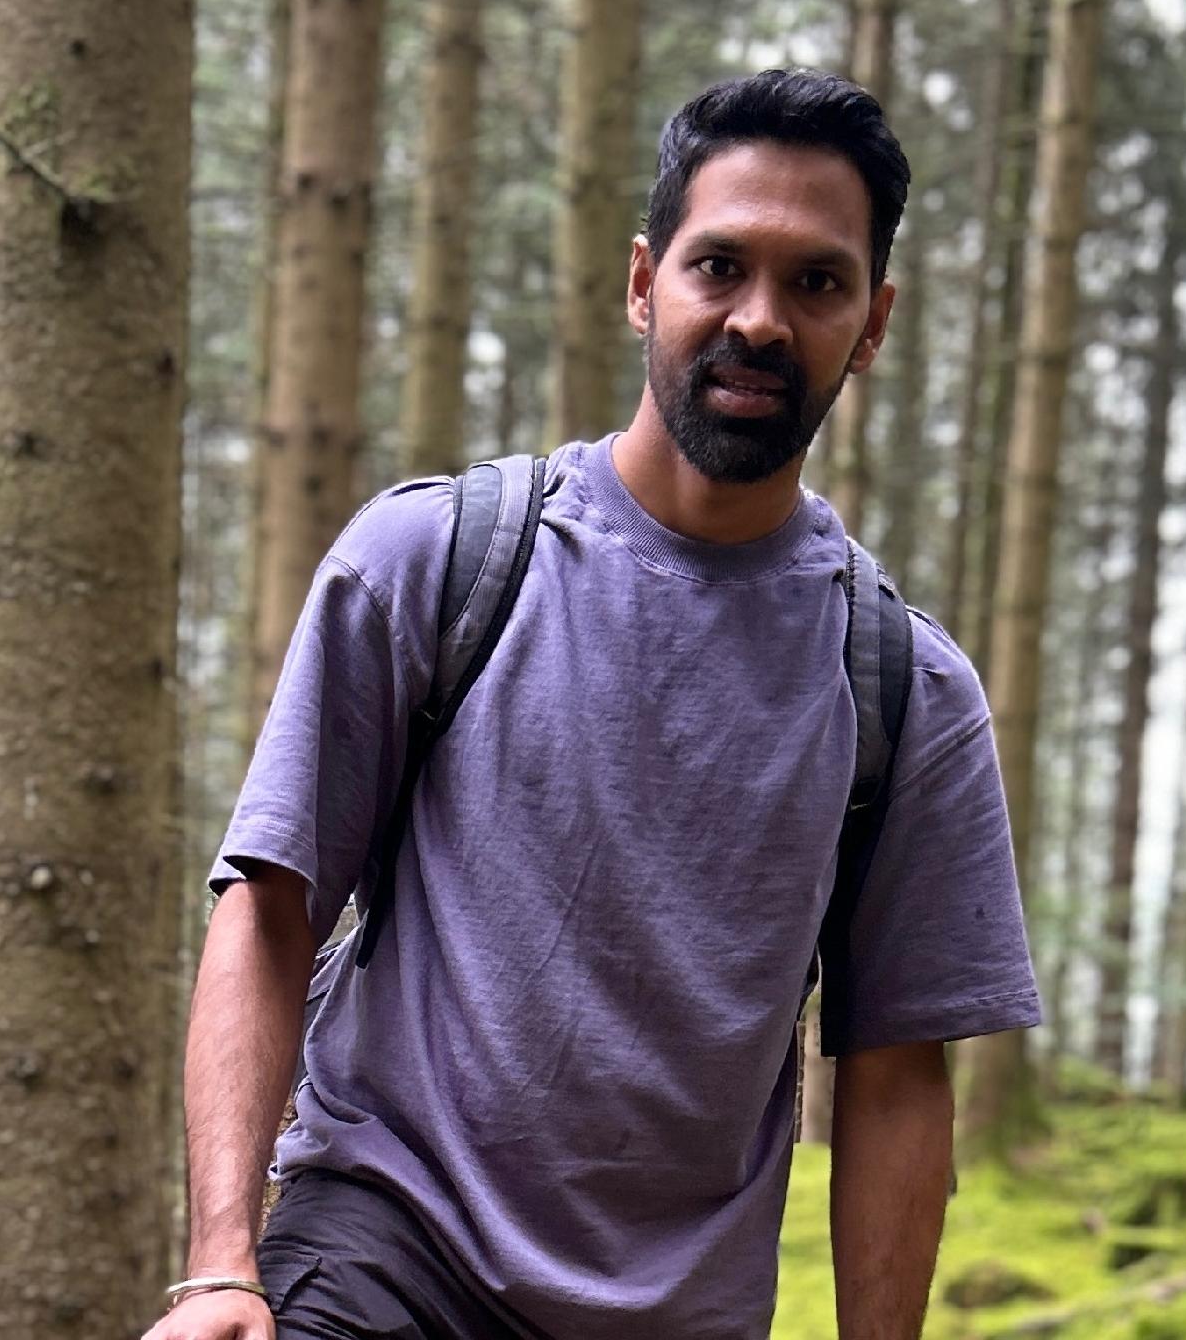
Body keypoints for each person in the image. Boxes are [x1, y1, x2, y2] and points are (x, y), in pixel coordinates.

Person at [147, 69, 1040, 1340]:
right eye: (718, 266)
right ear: (641, 283)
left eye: (816, 282)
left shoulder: (904, 688)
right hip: (385, 1251)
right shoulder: (437, 561)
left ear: (872, 322)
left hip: (679, 1310)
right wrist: (222, 1265)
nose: (760, 319)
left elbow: (897, 1073)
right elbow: (270, 903)